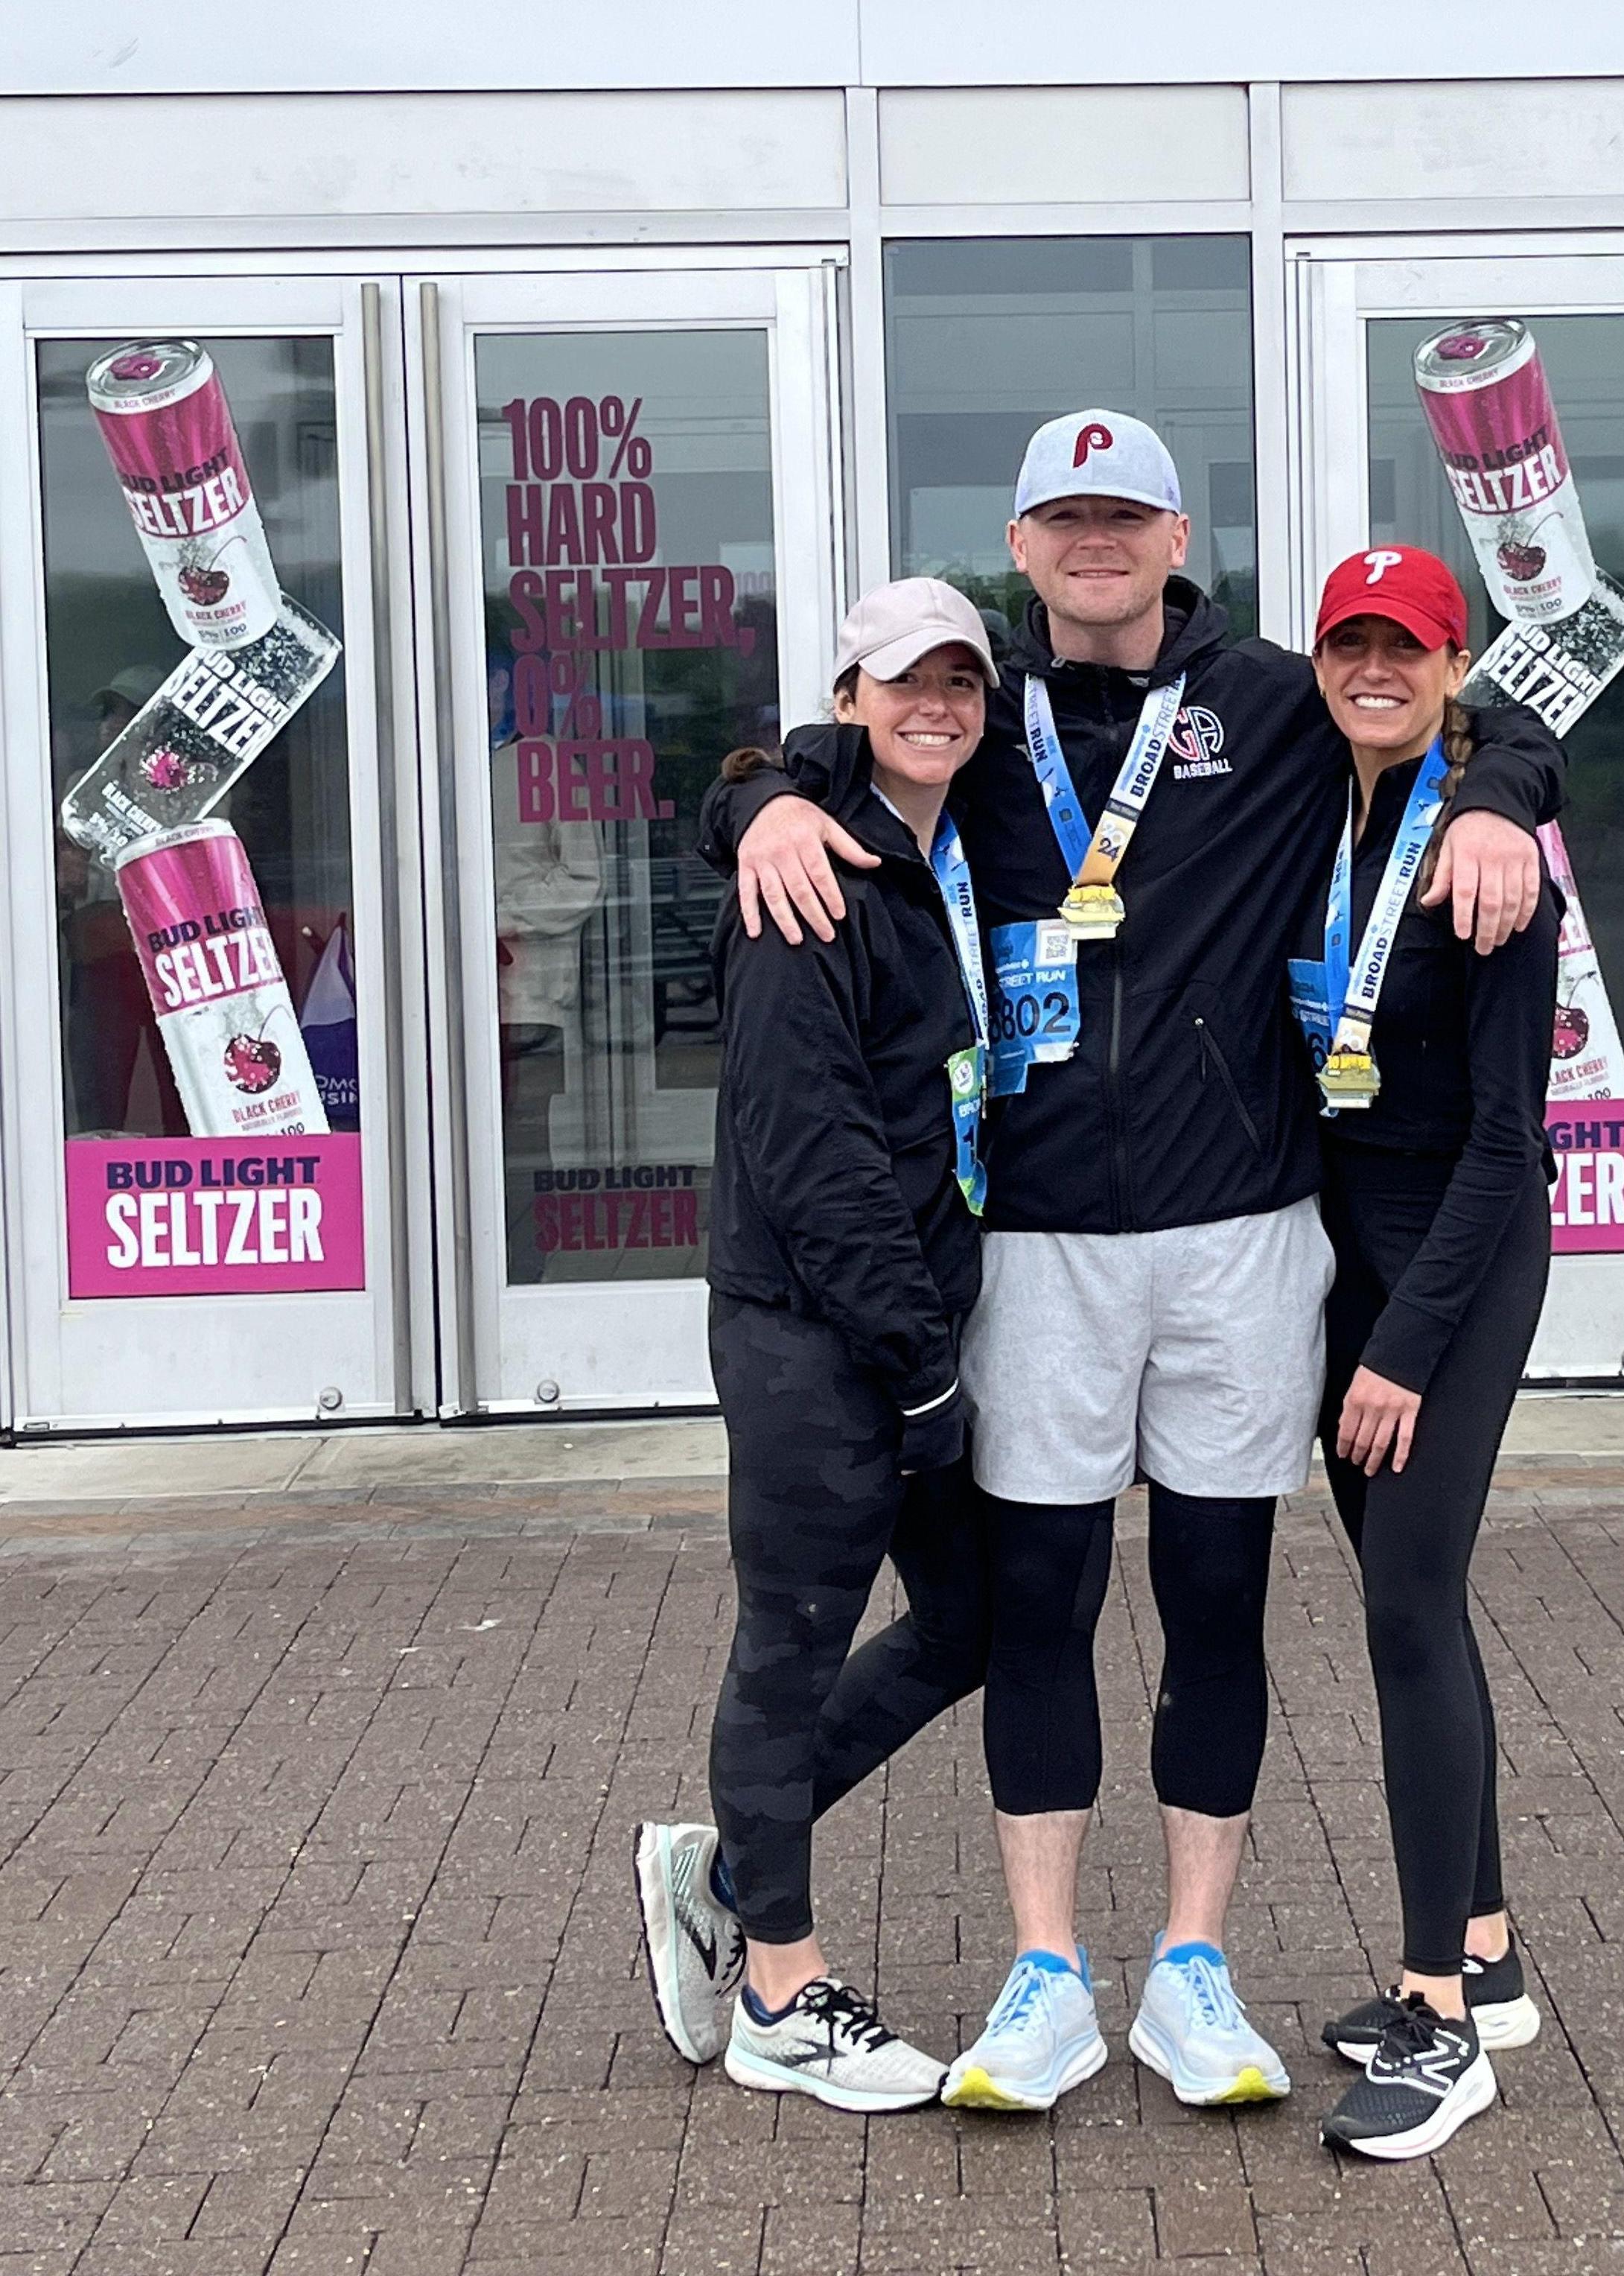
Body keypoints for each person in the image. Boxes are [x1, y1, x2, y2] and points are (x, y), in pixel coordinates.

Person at [716, 412, 1565, 2114]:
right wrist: (752, 804)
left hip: (1242, 1235)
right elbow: (820, 753)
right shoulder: (972, 710)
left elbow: (1481, 718)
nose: (1094, 540)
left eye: (1126, 514)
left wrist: (1497, 797)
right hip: (1038, 1247)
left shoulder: (1273, 698)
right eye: (1063, 515)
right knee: (1040, 1603)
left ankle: (1193, 1965)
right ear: (1018, 545)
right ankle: (1044, 1972)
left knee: (1215, 1599)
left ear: (1180, 537)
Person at [633, 578, 1001, 2113]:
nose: (937, 706)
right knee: (788, 1645)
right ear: (848, 699)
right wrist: (917, 1362)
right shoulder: (808, 876)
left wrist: (755, 792)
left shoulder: (935, 844)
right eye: (904, 681)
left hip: (906, 1325)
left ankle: (725, 1869)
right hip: (818, 1336)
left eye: (961, 682)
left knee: (975, 1616)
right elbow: (812, 1153)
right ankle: (779, 1990)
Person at [1288, 548, 1561, 2161]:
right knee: (1416, 1600)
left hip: (1457, 1260)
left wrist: (1399, 1348)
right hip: (1341, 1259)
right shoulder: (1306, 803)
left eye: (1408, 646)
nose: (1375, 669)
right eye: (1350, 644)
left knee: (1403, 1602)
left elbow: (1508, 1142)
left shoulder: (1487, 853)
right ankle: (1488, 1946)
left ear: (1455, 666)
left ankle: (1438, 2020)